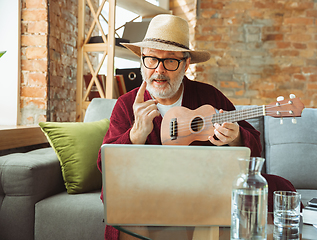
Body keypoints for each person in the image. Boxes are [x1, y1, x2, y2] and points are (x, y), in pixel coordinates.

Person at [97, 14, 297, 240]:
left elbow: (254, 147)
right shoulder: (126, 105)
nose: (159, 70)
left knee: (280, 188)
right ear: (142, 58)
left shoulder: (209, 96)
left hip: (203, 194)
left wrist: (236, 137)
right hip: (149, 197)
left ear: (186, 63)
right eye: (151, 59)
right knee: (128, 212)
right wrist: (134, 136)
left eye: (170, 61)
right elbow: (106, 167)